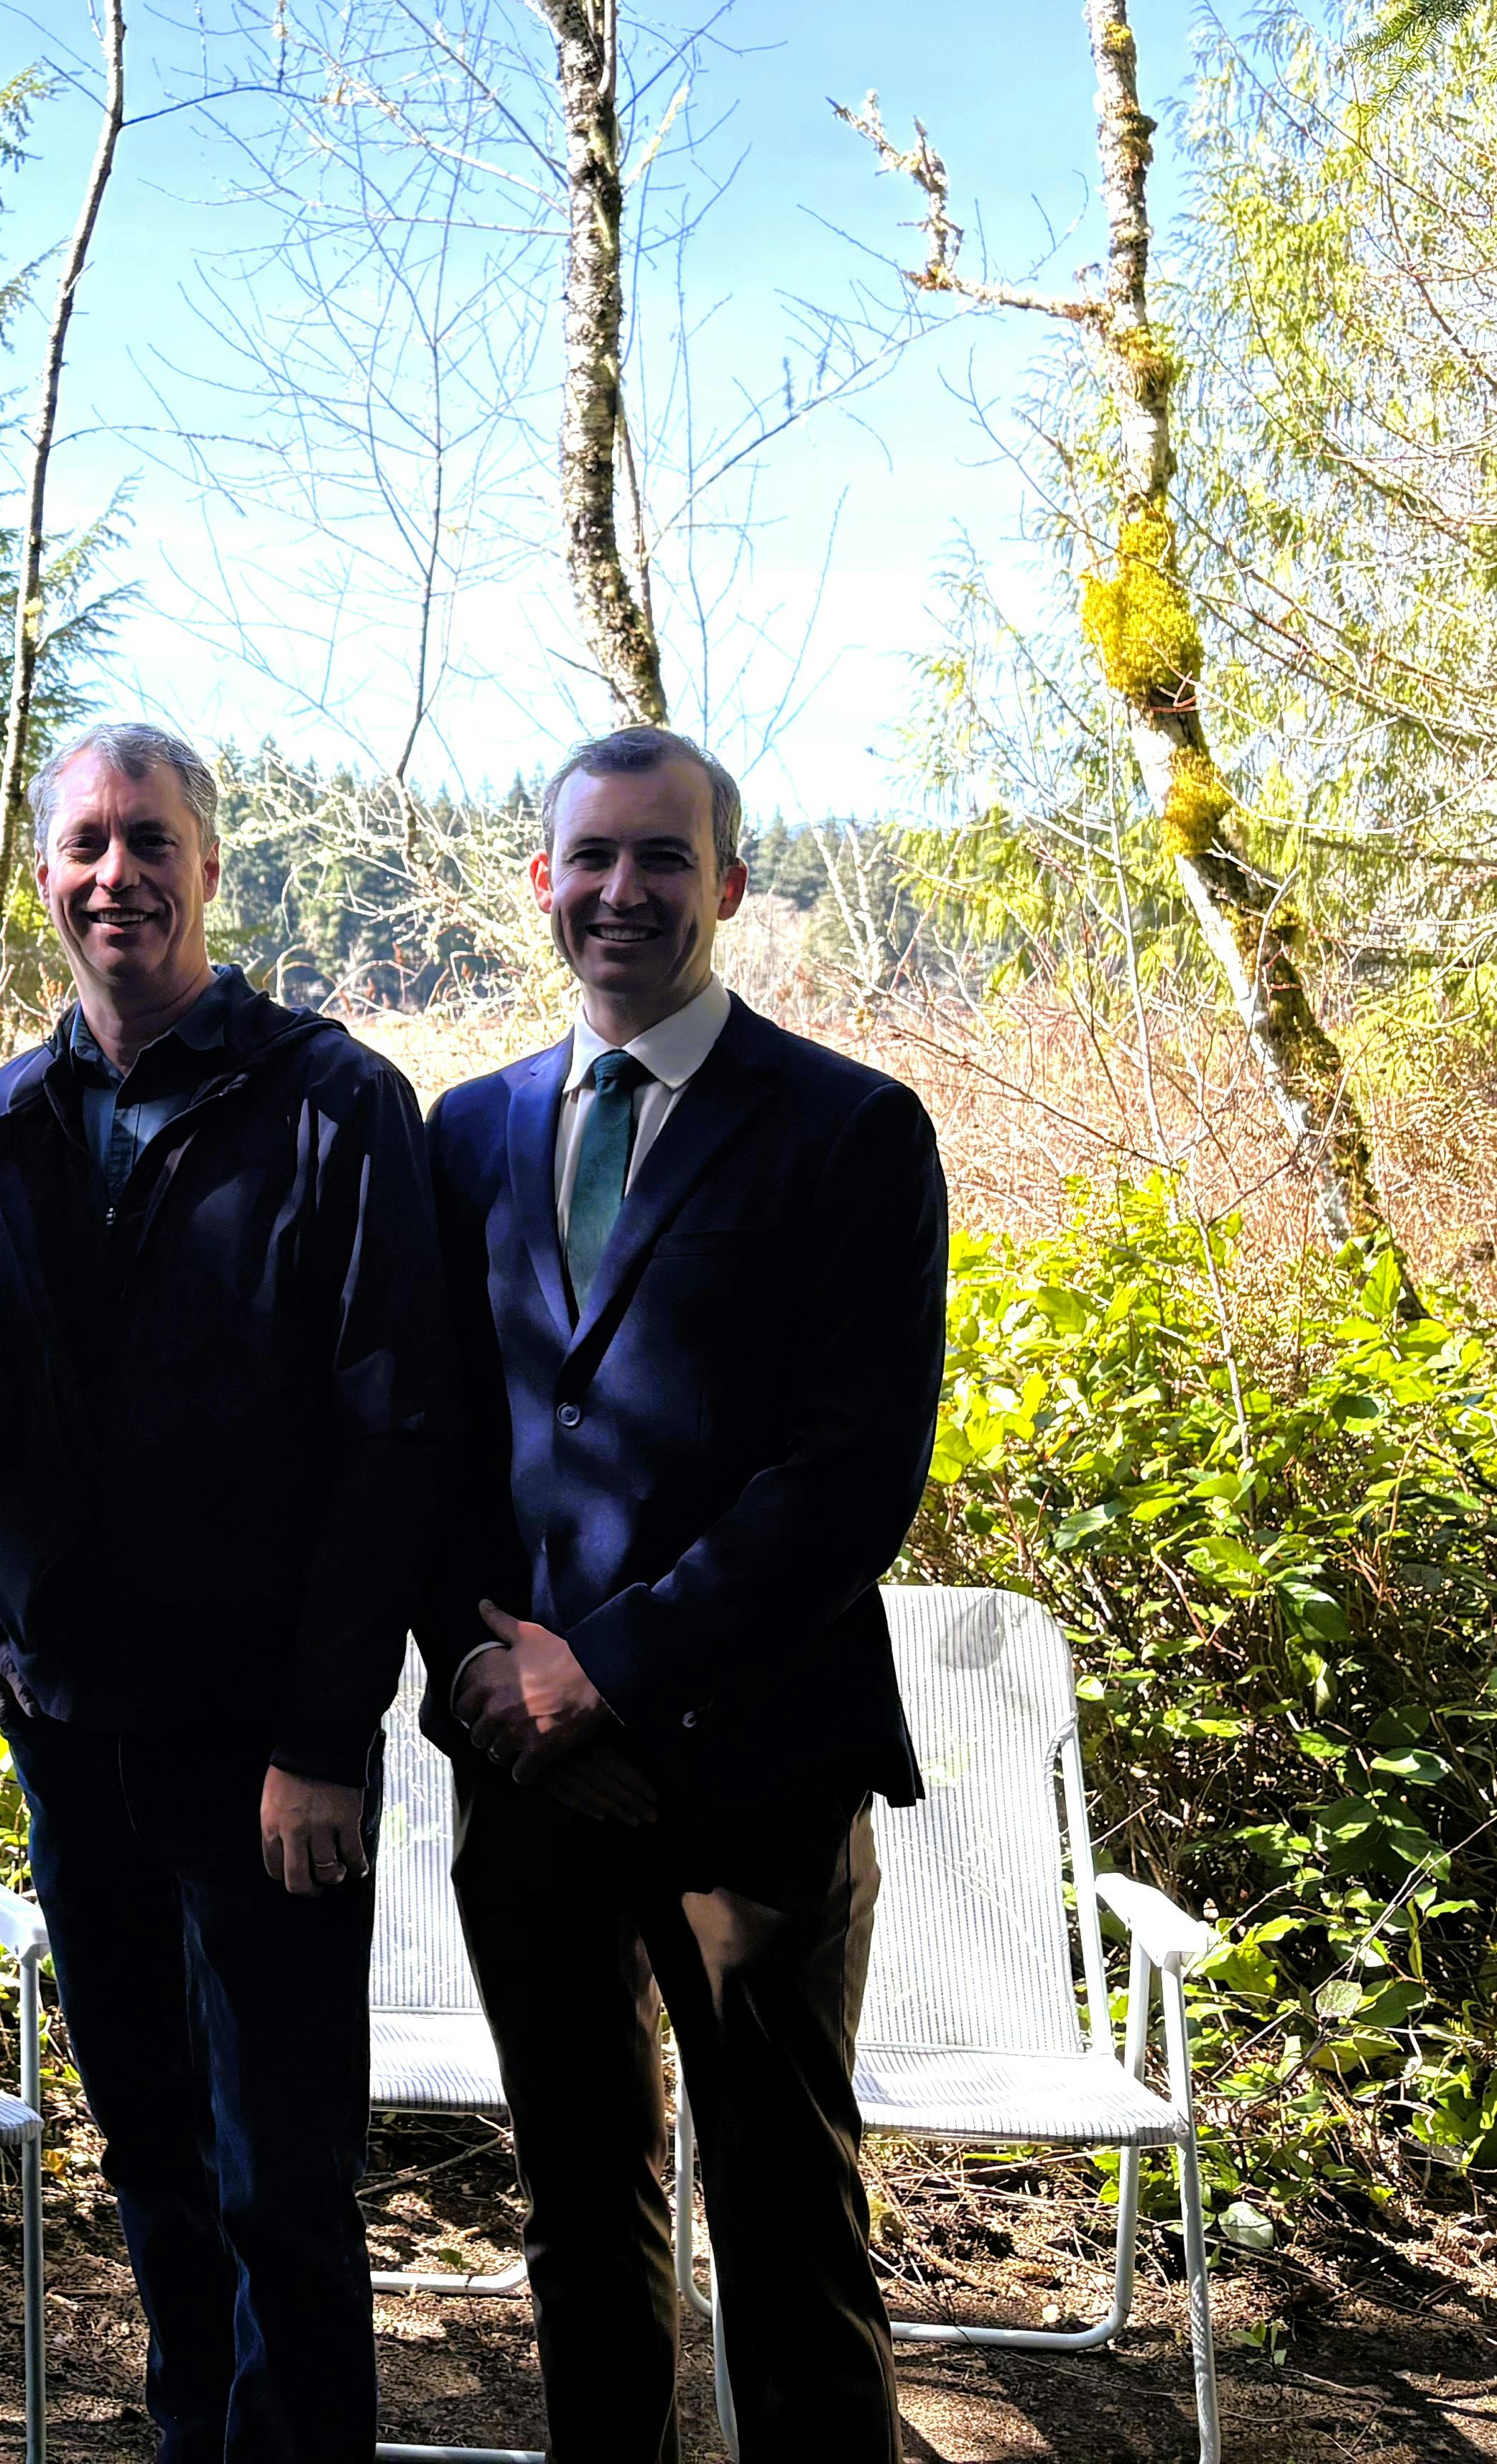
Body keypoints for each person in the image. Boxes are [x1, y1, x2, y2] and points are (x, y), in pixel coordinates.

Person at [420, 725, 952, 2464]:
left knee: (792, 2239)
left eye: (664, 860)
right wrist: (488, 1678)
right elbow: (422, 1444)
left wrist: (613, 1670)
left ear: (725, 884)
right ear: (542, 882)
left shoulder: (851, 1131)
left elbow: (849, 1476)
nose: (622, 892)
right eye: (592, 859)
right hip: (528, 1780)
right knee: (583, 2221)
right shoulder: (467, 1133)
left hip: (759, 1780)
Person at [0, 721, 453, 2461]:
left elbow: (394, 1438)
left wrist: (326, 1737)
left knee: (284, 2179)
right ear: (45, 877)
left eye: (150, 840)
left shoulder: (333, 1105)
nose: (116, 875)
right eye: (84, 842)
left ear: (209, 867)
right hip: (76, 1730)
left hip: (267, 1751)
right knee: (150, 2152)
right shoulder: (1, 1123)